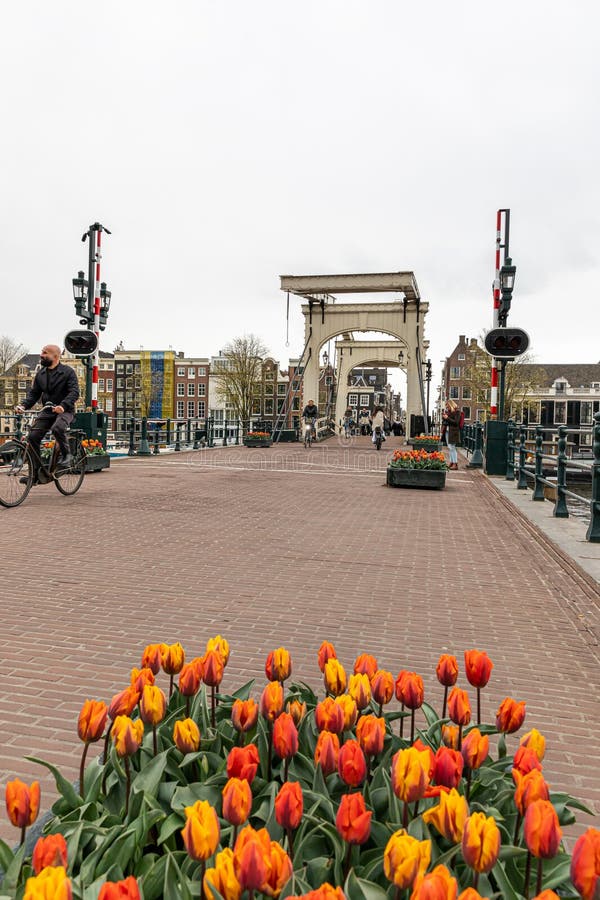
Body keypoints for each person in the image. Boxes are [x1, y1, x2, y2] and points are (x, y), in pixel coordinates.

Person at [15, 344, 80, 481]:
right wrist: (23, 406)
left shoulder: (68, 372)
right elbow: (34, 394)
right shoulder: (41, 374)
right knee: (32, 437)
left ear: (55, 356)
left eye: (45, 353)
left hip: (65, 410)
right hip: (48, 411)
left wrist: (63, 405)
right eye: (41, 352)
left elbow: (74, 392)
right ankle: (36, 474)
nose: (41, 355)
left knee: (57, 428)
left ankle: (67, 455)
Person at [442, 399, 461, 470]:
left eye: (447, 406)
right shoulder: (449, 412)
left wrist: (447, 418)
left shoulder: (457, 412)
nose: (447, 408)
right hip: (447, 432)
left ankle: (455, 464)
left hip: (453, 432)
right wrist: (444, 418)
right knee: (450, 448)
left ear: (451, 405)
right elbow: (447, 421)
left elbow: (456, 422)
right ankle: (451, 462)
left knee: (452, 447)